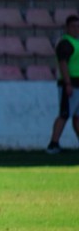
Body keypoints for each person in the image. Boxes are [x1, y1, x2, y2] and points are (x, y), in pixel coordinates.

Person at [46, 15, 79, 154]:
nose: (76, 29)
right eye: (73, 26)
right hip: (69, 84)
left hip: (77, 84)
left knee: (77, 116)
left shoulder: (76, 42)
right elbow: (63, 63)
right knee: (64, 114)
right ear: (67, 27)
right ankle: (53, 144)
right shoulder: (65, 43)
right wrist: (67, 83)